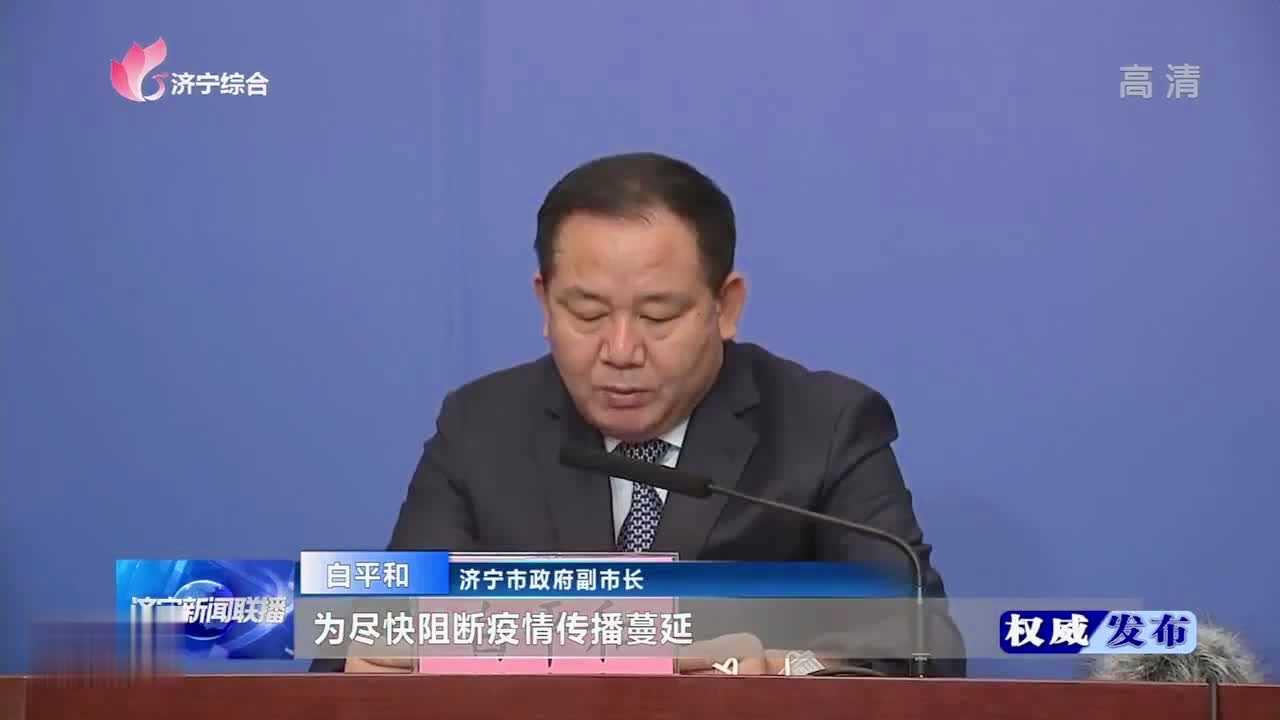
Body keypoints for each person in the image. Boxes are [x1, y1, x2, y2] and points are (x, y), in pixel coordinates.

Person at [318, 151, 964, 676]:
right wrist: (371, 660)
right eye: (588, 313)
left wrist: (783, 668)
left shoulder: (824, 425)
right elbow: (373, 632)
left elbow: (922, 645)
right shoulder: (482, 426)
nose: (621, 351)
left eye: (658, 316)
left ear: (726, 306)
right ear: (544, 303)